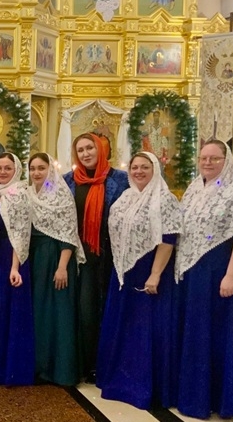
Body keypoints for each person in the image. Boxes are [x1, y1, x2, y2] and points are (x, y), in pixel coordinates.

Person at [176, 140, 233, 419]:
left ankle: (224, 398)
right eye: (203, 158)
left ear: (226, 160)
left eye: (214, 158)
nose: (207, 162)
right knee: (198, 332)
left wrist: (231, 275)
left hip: (223, 273)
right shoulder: (194, 188)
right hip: (196, 274)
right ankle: (197, 395)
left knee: (220, 333)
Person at [96, 152, 181, 409]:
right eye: (135, 167)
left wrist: (155, 274)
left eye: (145, 167)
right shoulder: (126, 197)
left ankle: (144, 387)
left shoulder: (164, 199)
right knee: (124, 324)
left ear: (155, 170)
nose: (139, 171)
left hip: (149, 270)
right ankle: (119, 379)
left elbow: (168, 239)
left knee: (145, 328)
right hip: (124, 270)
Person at [62, 132, 129, 383]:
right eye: (80, 150)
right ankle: (81, 363)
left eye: (90, 148)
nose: (85, 154)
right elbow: (45, 200)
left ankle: (101, 365)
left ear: (100, 149)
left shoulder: (120, 180)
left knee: (103, 310)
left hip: (108, 254)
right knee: (81, 310)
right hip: (76, 254)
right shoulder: (67, 181)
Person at [28, 153, 85, 386]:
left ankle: (61, 371)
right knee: (39, 313)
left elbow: (69, 233)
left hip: (57, 257)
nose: (36, 173)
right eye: (32, 168)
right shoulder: (28, 193)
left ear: (50, 170)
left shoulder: (60, 195)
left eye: (41, 168)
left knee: (59, 313)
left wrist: (62, 267)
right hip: (35, 259)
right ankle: (40, 367)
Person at [0, 152, 34, 386]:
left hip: (13, 256)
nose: (3, 172)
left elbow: (21, 233)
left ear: (16, 170)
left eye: (8, 168)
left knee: (12, 310)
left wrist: (15, 267)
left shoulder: (18, 195)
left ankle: (13, 369)